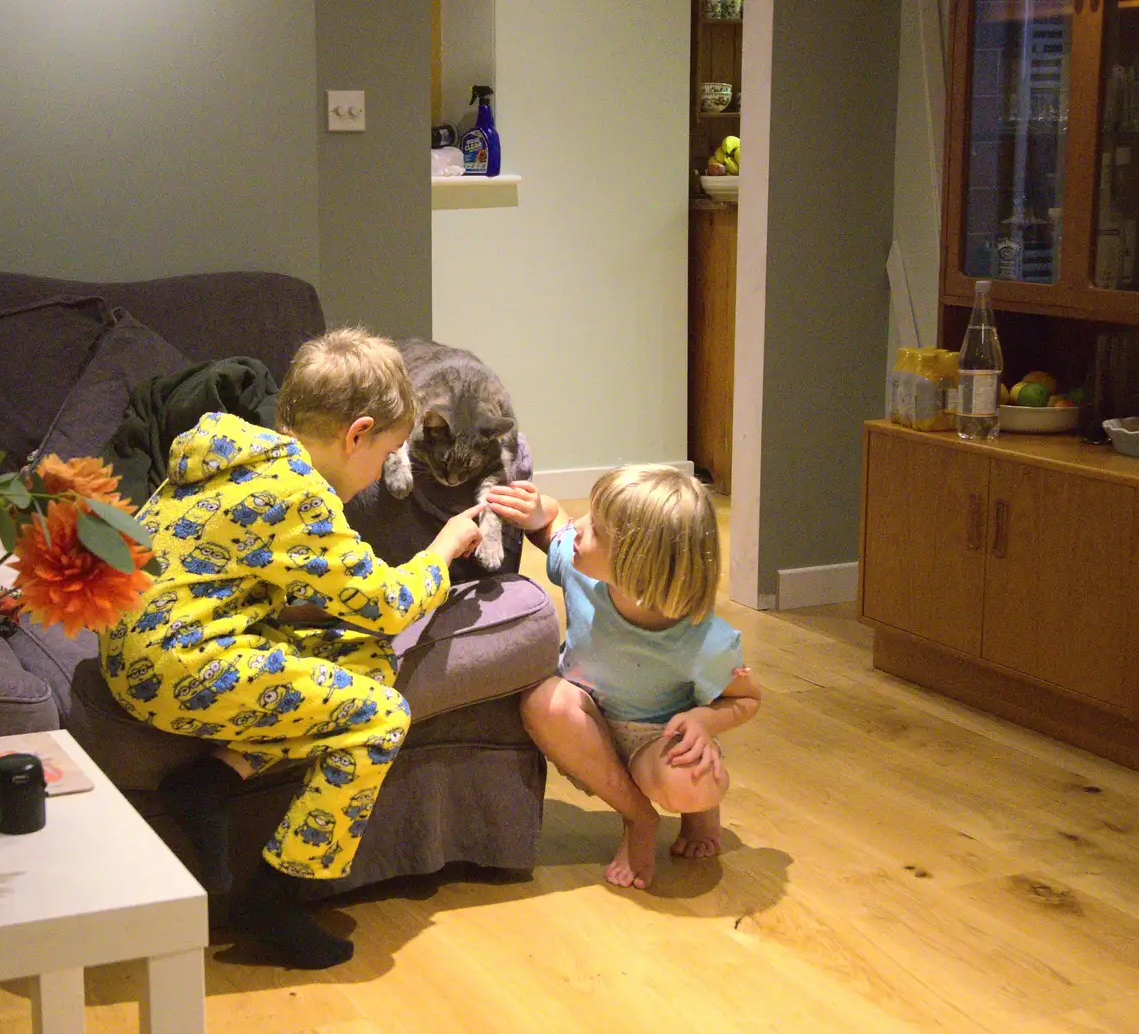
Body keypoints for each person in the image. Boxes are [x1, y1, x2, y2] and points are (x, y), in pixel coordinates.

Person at [103, 328, 482, 969]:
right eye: (384, 454)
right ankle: (274, 899)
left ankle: (214, 778)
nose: (377, 475)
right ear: (357, 433)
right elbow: (388, 605)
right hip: (176, 665)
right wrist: (442, 549)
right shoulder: (299, 494)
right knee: (382, 717)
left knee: (362, 657)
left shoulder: (233, 452)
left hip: (146, 643)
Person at [486, 465, 761, 891]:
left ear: (638, 564)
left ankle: (699, 812)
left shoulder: (705, 639)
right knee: (543, 700)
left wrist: (704, 722)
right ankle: (638, 818)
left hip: (659, 737)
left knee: (694, 783)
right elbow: (555, 524)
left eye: (593, 528)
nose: (577, 529)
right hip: (589, 723)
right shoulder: (581, 568)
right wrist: (541, 512)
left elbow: (746, 699)